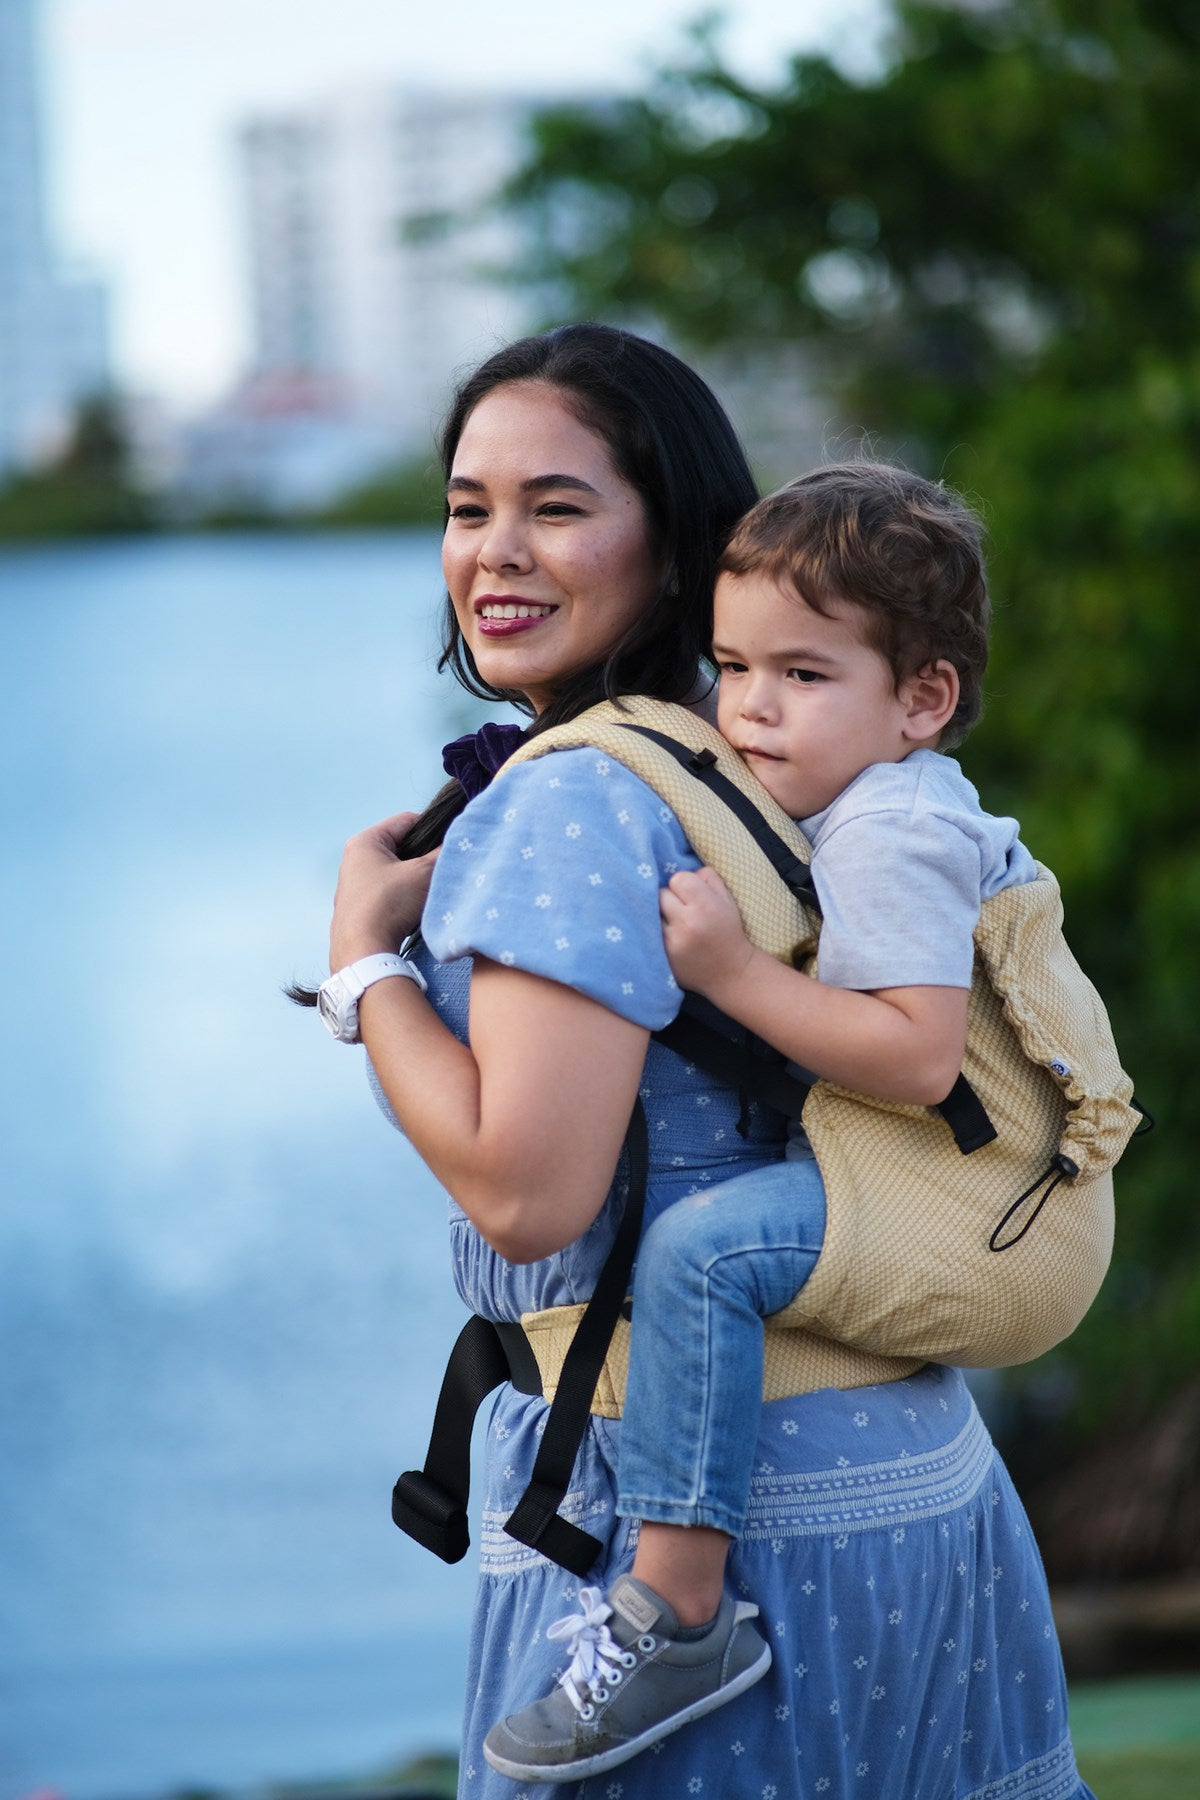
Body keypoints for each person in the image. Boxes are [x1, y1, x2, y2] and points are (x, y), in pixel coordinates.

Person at [319, 323, 1097, 1799]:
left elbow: (526, 1193)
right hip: (915, 1475)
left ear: (678, 541)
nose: (496, 550)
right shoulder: (770, 740)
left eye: (556, 506)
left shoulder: (570, 805)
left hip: (695, 1529)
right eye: (466, 506)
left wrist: (363, 968)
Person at [486, 462, 1044, 1776]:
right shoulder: (857, 800)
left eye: (801, 675)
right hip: (921, 1166)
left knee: (707, 1253)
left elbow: (913, 1057)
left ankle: (681, 1601)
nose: (749, 709)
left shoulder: (895, 827)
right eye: (732, 668)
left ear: (924, 699)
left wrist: (732, 974)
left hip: (942, 1174)